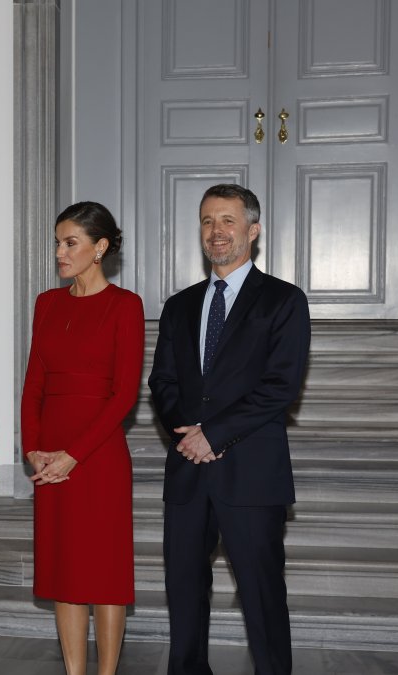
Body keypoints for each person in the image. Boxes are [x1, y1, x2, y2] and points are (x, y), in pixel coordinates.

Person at [149, 184, 310, 675]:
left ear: (252, 231)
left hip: (251, 473)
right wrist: (187, 434)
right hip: (188, 473)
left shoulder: (282, 301)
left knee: (261, 596)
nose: (216, 232)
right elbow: (163, 381)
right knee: (184, 592)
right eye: (206, 221)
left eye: (227, 221)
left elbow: (280, 387)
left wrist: (212, 435)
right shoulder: (179, 305)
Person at [20, 201, 144, 675]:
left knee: (104, 575)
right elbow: (33, 384)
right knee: (65, 572)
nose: (60, 252)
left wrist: (72, 455)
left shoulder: (125, 305)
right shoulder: (47, 304)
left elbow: (124, 395)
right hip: (49, 456)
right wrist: (33, 448)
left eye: (71, 242)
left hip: (98, 455)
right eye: (58, 242)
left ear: (100, 248)